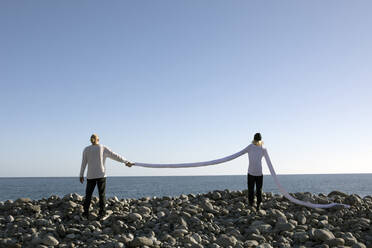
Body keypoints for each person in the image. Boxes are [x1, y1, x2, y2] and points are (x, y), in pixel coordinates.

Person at [79, 134, 134, 219]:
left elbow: (83, 163)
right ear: (98, 139)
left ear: (91, 140)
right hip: (101, 174)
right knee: (102, 195)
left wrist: (81, 175)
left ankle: (85, 213)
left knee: (88, 195)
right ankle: (102, 213)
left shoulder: (86, 149)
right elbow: (115, 156)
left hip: (90, 175)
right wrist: (125, 161)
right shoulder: (102, 148)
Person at [246, 132, 269, 210]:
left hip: (254, 173)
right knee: (257, 190)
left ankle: (253, 204)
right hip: (256, 173)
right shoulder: (262, 148)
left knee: (252, 190)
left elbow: (268, 161)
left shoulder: (261, 148)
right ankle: (256, 205)